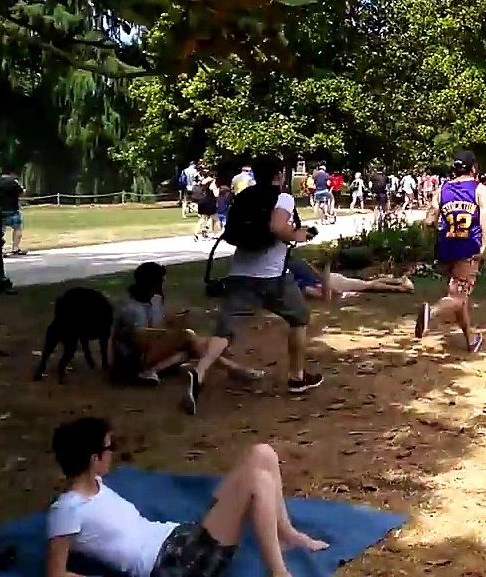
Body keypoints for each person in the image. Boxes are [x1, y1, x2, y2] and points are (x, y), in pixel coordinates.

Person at [46, 417, 328, 577]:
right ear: (95, 458)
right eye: (110, 448)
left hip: (182, 540)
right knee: (258, 480)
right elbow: (55, 574)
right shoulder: (68, 509)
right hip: (175, 565)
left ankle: (287, 533)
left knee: (262, 452)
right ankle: (278, 572)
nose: (114, 452)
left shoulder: (96, 483)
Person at [191, 157, 321, 415]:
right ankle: (296, 377)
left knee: (225, 331)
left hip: (240, 273)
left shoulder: (245, 195)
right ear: (278, 175)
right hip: (272, 276)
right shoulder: (282, 198)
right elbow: (276, 227)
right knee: (299, 318)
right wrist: (299, 235)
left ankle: (199, 371)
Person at [111, 262, 263, 386]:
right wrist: (172, 335)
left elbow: (159, 325)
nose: (165, 284)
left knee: (196, 346)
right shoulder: (131, 308)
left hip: (150, 351)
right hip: (133, 359)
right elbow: (140, 339)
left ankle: (233, 368)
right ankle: (234, 369)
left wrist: (176, 321)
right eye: (163, 281)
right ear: (153, 283)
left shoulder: (154, 300)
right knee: (188, 337)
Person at [415, 150, 486, 353]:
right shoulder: (480, 190)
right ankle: (430, 314)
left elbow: (430, 219)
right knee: (458, 297)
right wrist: (483, 245)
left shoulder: (442, 190)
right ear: (473, 168)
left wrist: (425, 240)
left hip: (446, 246)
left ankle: (471, 339)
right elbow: (485, 217)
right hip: (468, 247)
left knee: (458, 296)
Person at [288, 257, 414, 301]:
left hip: (332, 281)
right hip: (332, 280)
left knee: (368, 284)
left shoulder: (299, 283)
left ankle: (400, 285)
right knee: (367, 284)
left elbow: (325, 293)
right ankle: (400, 284)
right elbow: (324, 290)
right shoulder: (297, 266)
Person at [0, 167, 27, 256]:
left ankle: (0, 250)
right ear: (11, 173)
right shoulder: (14, 182)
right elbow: (22, 192)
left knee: (0, 231)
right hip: (12, 209)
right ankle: (15, 248)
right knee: (17, 228)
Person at [192, 174, 220, 241]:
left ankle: (195, 233)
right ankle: (217, 234)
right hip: (210, 202)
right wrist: (218, 191)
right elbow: (216, 194)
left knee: (203, 219)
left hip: (202, 200)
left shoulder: (204, 181)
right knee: (216, 219)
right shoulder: (213, 183)